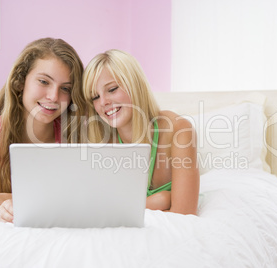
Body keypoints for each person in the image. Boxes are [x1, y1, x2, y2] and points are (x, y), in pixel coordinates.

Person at [0, 38, 85, 222]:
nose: (53, 96)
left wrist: (7, 197)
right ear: (20, 82)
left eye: (65, 88)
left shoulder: (73, 134)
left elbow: (76, 198)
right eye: (44, 81)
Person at [82, 49, 200, 215]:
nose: (103, 102)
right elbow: (102, 208)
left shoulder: (179, 131)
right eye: (95, 97)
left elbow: (185, 212)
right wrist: (162, 200)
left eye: (112, 89)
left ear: (135, 84)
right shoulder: (103, 142)